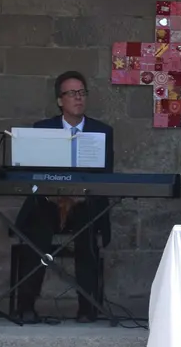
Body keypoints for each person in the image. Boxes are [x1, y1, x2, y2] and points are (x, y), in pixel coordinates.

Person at [10, 71, 115, 324]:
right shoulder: (42, 129)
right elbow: (32, 173)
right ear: (60, 101)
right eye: (71, 94)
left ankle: (87, 306)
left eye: (82, 93)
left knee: (88, 230)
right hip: (49, 203)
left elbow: (105, 176)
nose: (78, 98)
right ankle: (26, 305)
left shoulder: (102, 131)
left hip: (83, 203)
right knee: (36, 232)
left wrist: (79, 195)